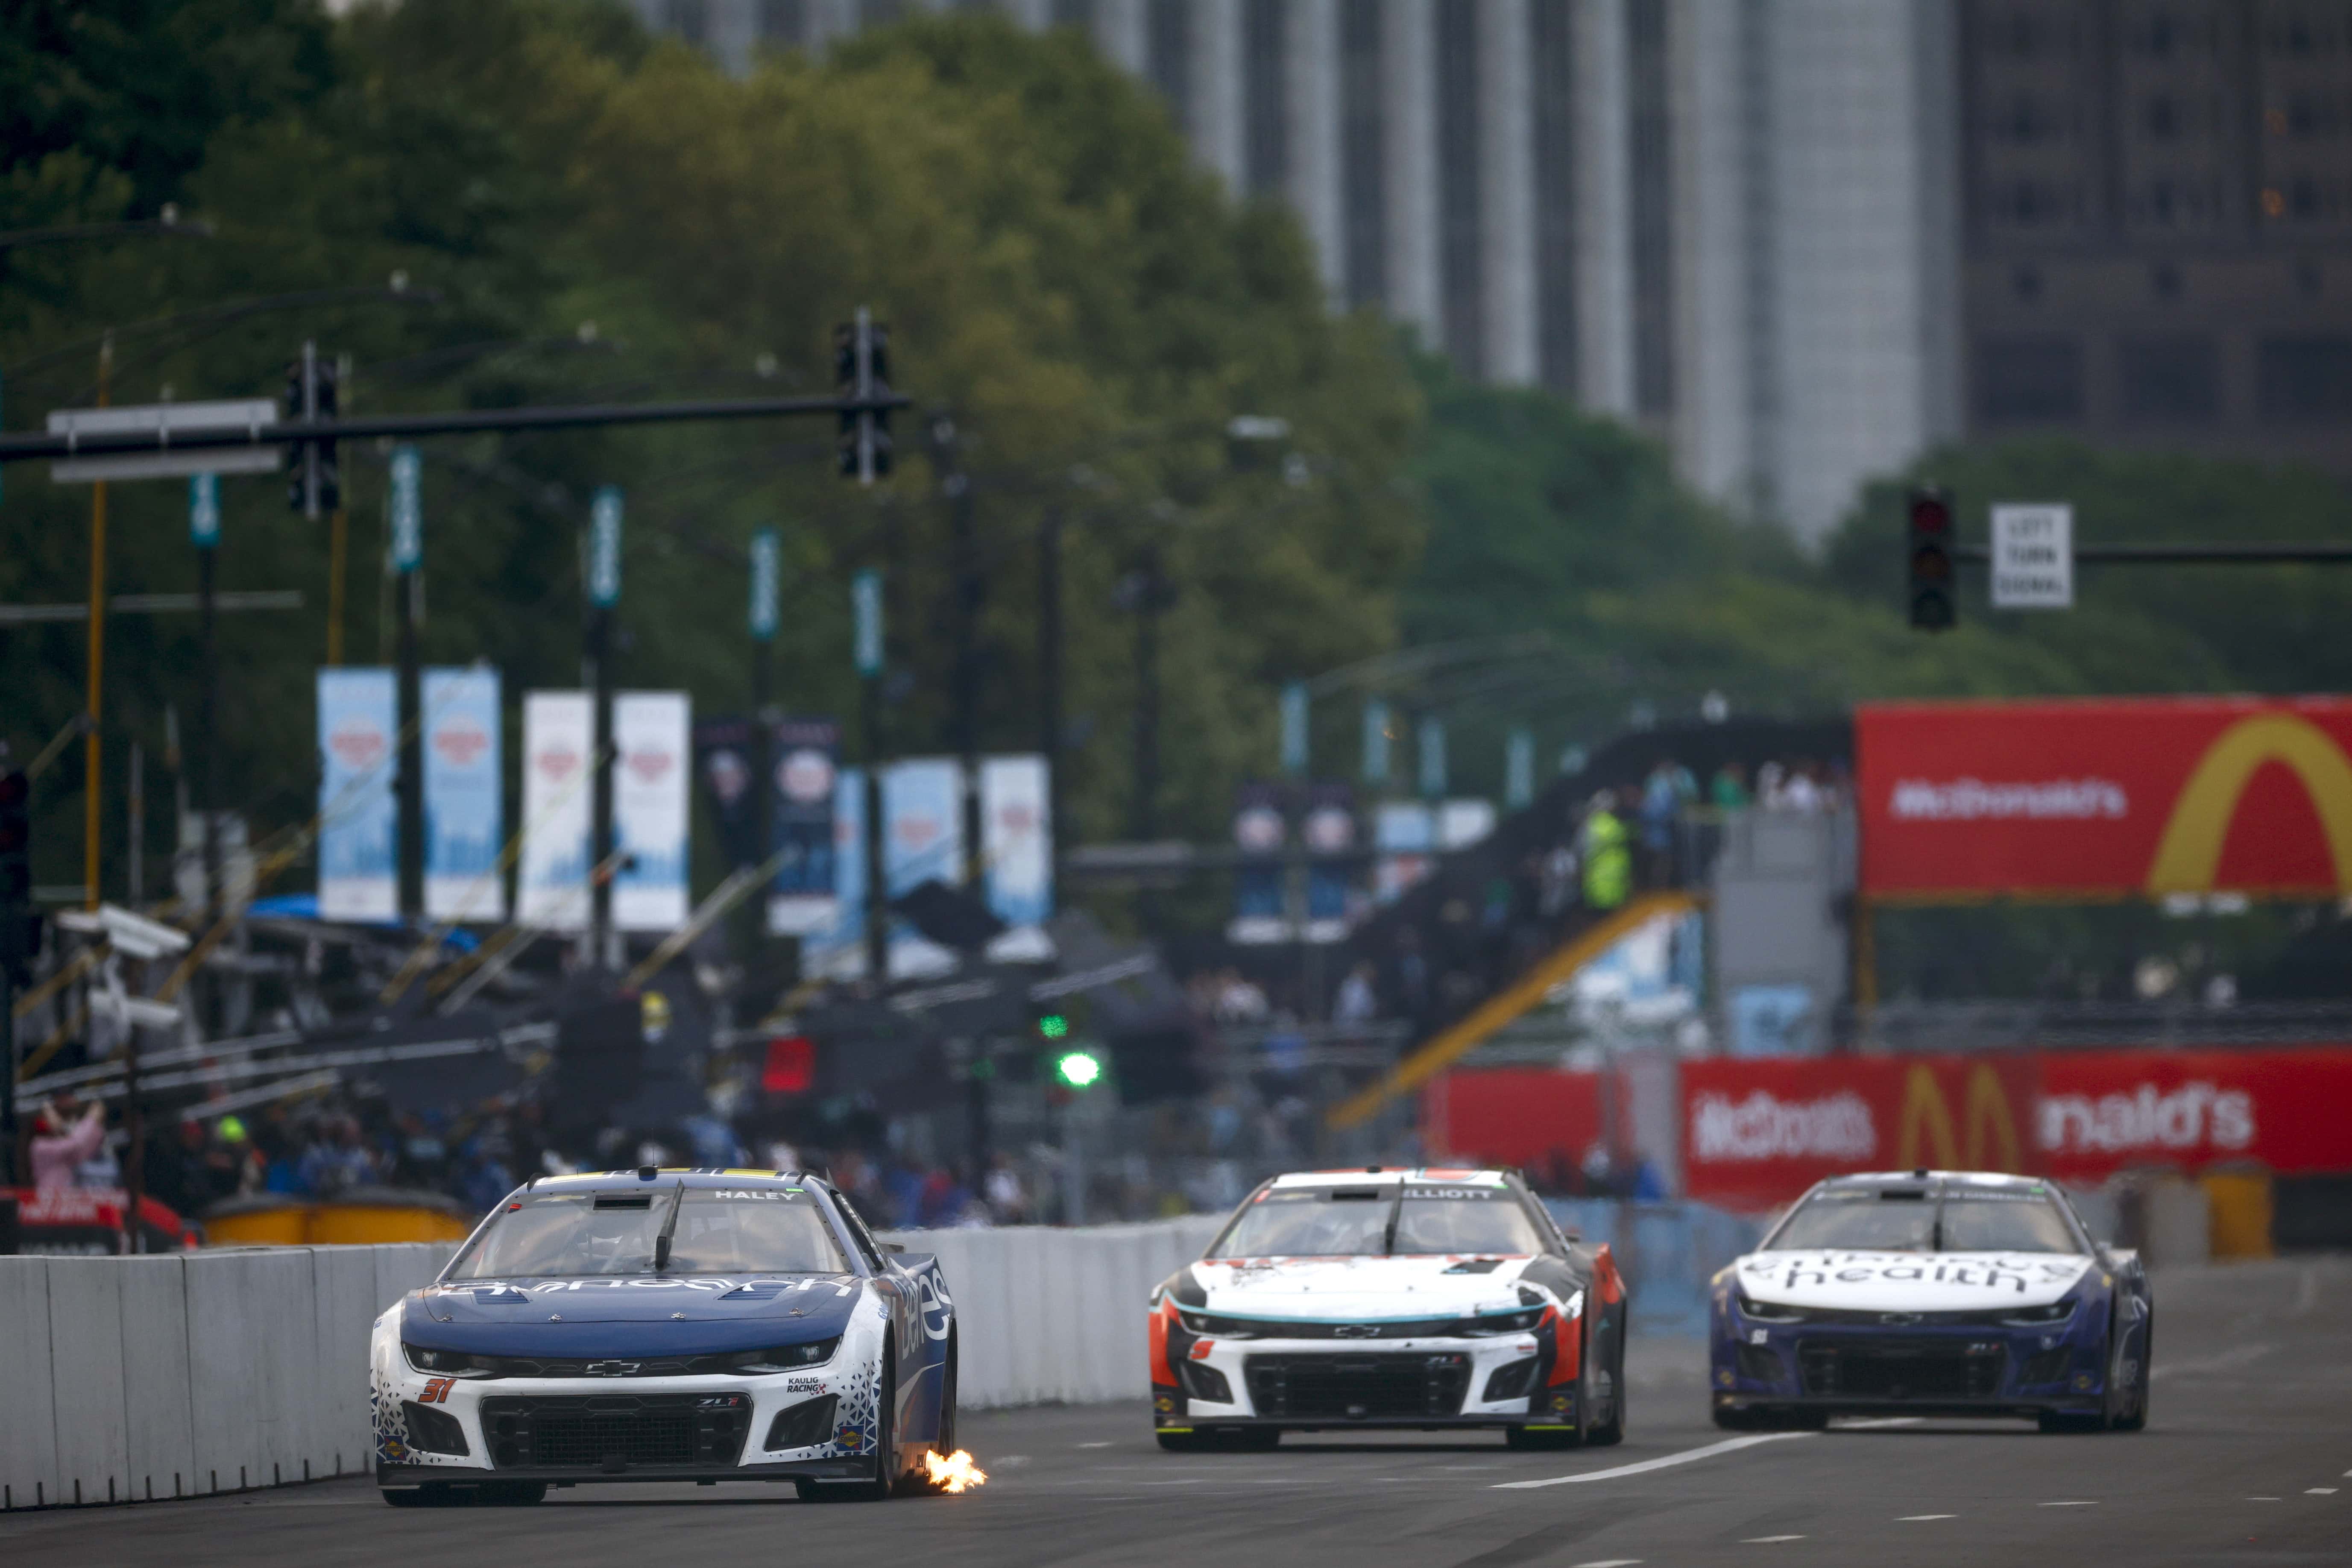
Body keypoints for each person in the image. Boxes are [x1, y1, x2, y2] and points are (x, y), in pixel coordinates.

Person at [29, 1093, 107, 1193]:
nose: (58, 1118)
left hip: (67, 1198)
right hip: (49, 1199)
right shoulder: (40, 1145)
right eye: (54, 1114)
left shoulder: (58, 1141)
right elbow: (76, 1144)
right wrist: (92, 1118)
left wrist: (95, 1122)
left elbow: (83, 1150)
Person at [1580, 791, 1631, 912]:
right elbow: (1624, 834)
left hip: (1597, 882)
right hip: (1611, 880)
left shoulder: (1589, 826)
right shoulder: (1607, 823)